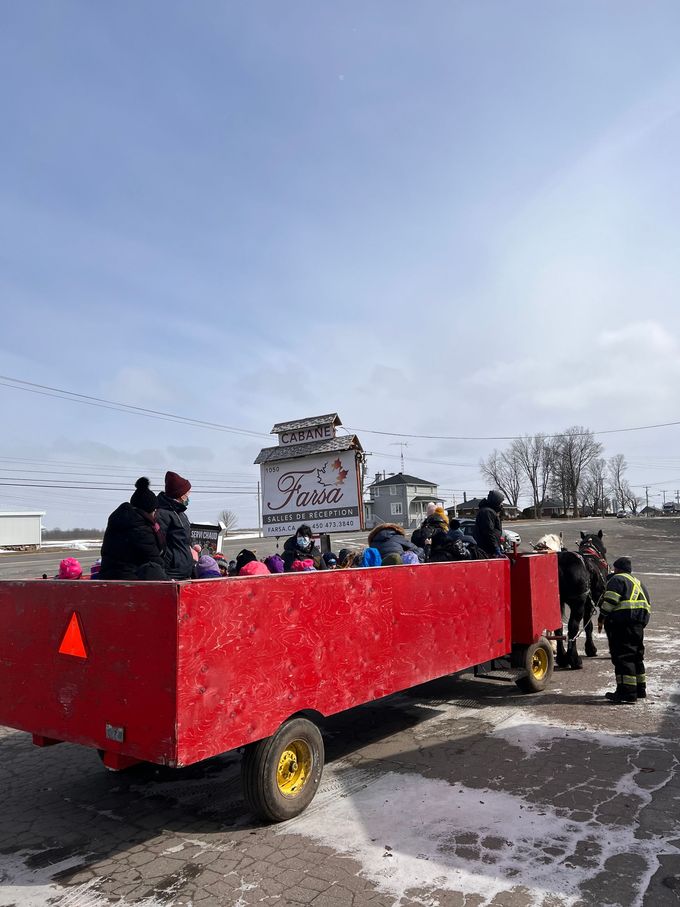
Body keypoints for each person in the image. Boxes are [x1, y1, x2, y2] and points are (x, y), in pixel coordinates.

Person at [598, 557, 651, 704]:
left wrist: (602, 616)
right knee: (636, 657)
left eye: (614, 569)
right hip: (638, 625)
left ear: (618, 569)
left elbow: (610, 601)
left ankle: (626, 692)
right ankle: (640, 689)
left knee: (623, 658)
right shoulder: (639, 583)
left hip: (623, 625)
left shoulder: (617, 580)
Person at [99, 477, 167, 580]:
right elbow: (154, 560)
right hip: (130, 580)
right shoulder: (141, 529)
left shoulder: (117, 520)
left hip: (106, 577)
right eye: (154, 510)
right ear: (148, 510)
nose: (155, 514)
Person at [155, 471, 193, 580]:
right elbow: (159, 543)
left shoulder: (181, 514)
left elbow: (184, 539)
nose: (188, 495)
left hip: (185, 571)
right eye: (187, 493)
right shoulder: (162, 514)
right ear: (180, 494)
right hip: (173, 572)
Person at [473, 490, 504, 557]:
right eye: (501, 503)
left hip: (490, 548)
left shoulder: (490, 511)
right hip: (487, 550)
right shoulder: (487, 512)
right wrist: (495, 548)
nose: (502, 505)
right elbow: (488, 531)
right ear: (496, 501)